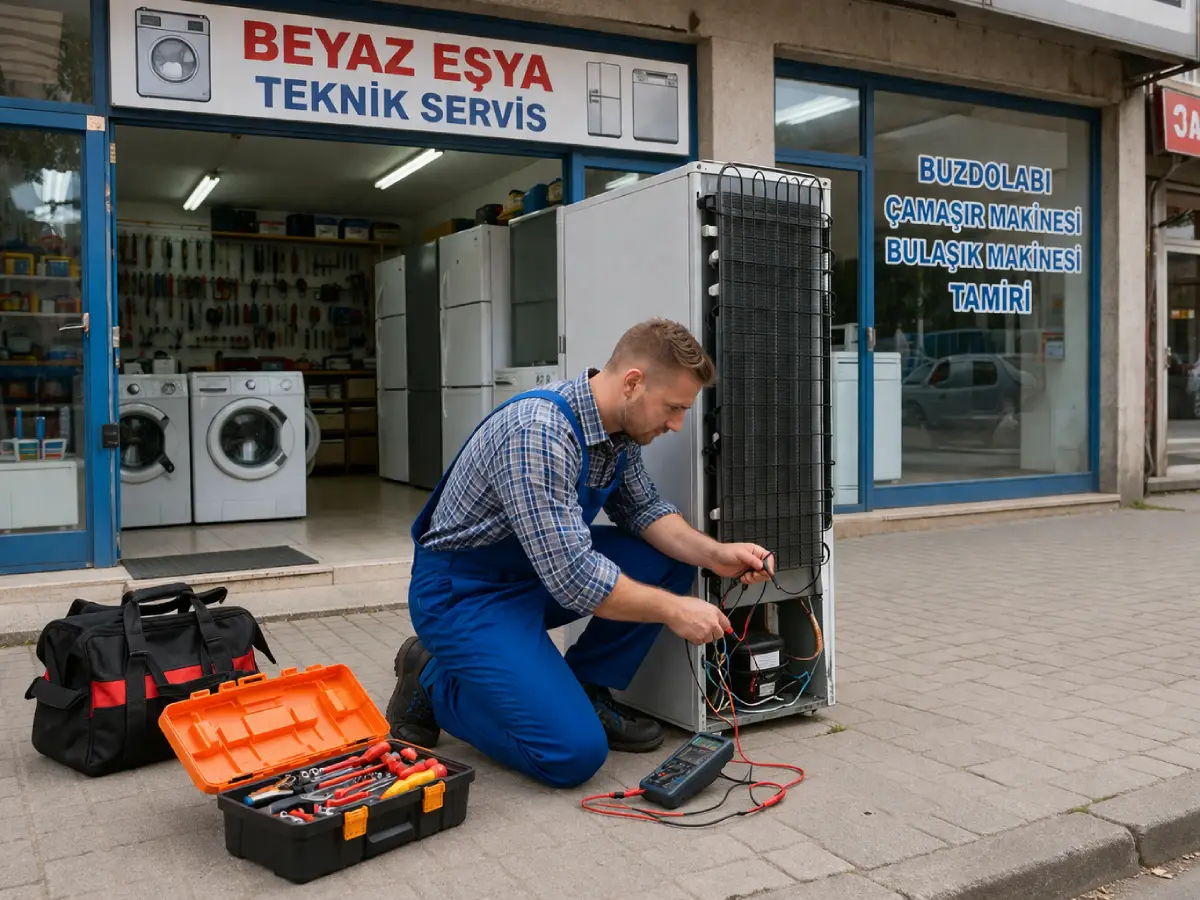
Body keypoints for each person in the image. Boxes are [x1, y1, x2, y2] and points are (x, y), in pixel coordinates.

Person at [386, 318, 775, 789]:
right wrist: (675, 610)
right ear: (633, 382)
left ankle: (587, 687)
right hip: (465, 596)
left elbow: (644, 510)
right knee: (571, 754)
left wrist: (715, 555)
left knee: (669, 557)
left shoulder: (617, 431)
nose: (676, 425)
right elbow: (575, 579)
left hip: (533, 575)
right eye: (673, 408)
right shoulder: (539, 434)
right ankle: (430, 677)